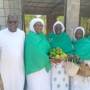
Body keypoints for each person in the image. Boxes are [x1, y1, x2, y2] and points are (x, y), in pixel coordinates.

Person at [24, 18, 51, 90]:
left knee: (44, 85)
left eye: (41, 25)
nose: (40, 27)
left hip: (44, 67)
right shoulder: (30, 38)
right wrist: (49, 59)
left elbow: (48, 48)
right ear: (32, 26)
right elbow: (35, 53)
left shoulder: (43, 36)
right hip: (34, 68)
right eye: (37, 25)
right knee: (35, 86)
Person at [0, 13, 25, 90]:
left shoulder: (22, 33)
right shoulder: (1, 34)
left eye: (14, 22)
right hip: (5, 69)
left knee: (19, 86)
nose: (12, 24)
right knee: (7, 86)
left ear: (18, 22)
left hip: (19, 68)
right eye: (10, 22)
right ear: (7, 22)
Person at [47, 21, 74, 90]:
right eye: (56, 27)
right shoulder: (50, 36)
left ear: (62, 28)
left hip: (64, 62)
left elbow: (70, 49)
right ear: (54, 28)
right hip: (53, 62)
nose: (58, 29)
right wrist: (51, 56)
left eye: (60, 27)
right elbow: (47, 47)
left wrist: (67, 55)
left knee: (63, 78)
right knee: (53, 77)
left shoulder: (66, 37)